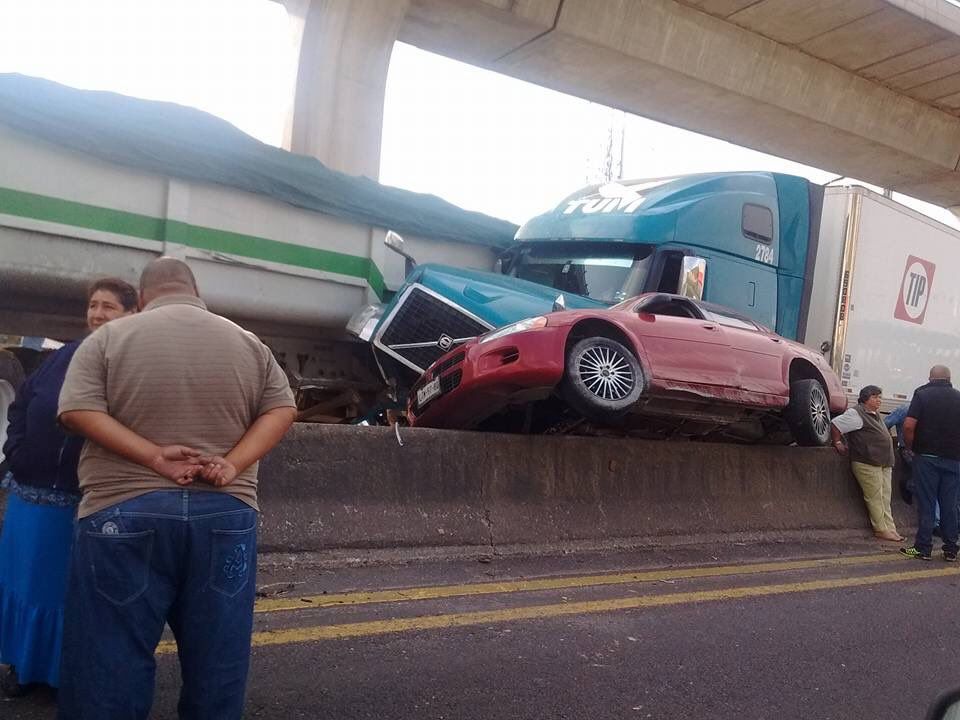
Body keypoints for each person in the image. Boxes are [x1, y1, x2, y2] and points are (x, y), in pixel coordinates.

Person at [56, 257, 297, 719]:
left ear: (142, 299)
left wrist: (152, 456)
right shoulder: (248, 343)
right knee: (218, 662)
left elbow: (76, 411)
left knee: (110, 662)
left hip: (122, 509)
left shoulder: (108, 338)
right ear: (196, 292)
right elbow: (281, 409)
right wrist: (231, 463)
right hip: (226, 513)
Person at [0, 277, 137, 696]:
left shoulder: (128, 362)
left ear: (132, 313)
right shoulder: (65, 355)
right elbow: (24, 401)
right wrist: (17, 450)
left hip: (76, 502)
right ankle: (24, 669)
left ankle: (60, 676)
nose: (97, 313)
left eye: (108, 307)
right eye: (93, 305)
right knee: (20, 585)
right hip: (28, 495)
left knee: (59, 594)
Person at [900, 365, 960, 562]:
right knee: (949, 505)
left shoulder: (922, 394)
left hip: (927, 458)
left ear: (930, 378)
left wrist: (911, 447)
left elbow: (909, 425)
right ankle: (951, 548)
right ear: (949, 379)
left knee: (927, 503)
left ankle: (923, 548)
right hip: (954, 460)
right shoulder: (958, 397)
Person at [830, 384, 903, 542]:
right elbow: (836, 424)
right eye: (875, 397)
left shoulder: (874, 414)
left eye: (880, 397)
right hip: (867, 462)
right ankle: (880, 529)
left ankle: (890, 527)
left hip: (883, 462)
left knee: (885, 497)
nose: (879, 400)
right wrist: (837, 442)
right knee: (875, 497)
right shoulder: (856, 413)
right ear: (865, 398)